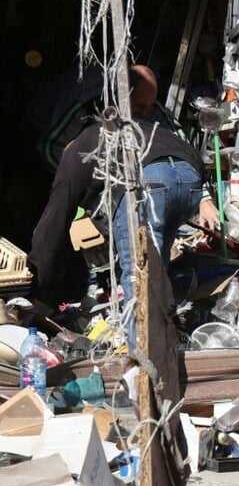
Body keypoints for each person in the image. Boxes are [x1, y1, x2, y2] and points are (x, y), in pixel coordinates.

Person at [28, 64, 216, 350]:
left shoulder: (97, 138)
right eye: (140, 106)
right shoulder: (80, 117)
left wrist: (37, 289)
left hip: (151, 182)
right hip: (188, 178)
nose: (143, 114)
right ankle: (164, 343)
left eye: (149, 106)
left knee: (138, 277)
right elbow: (55, 162)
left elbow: (53, 222)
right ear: (119, 98)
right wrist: (91, 205)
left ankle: (143, 363)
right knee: (154, 273)